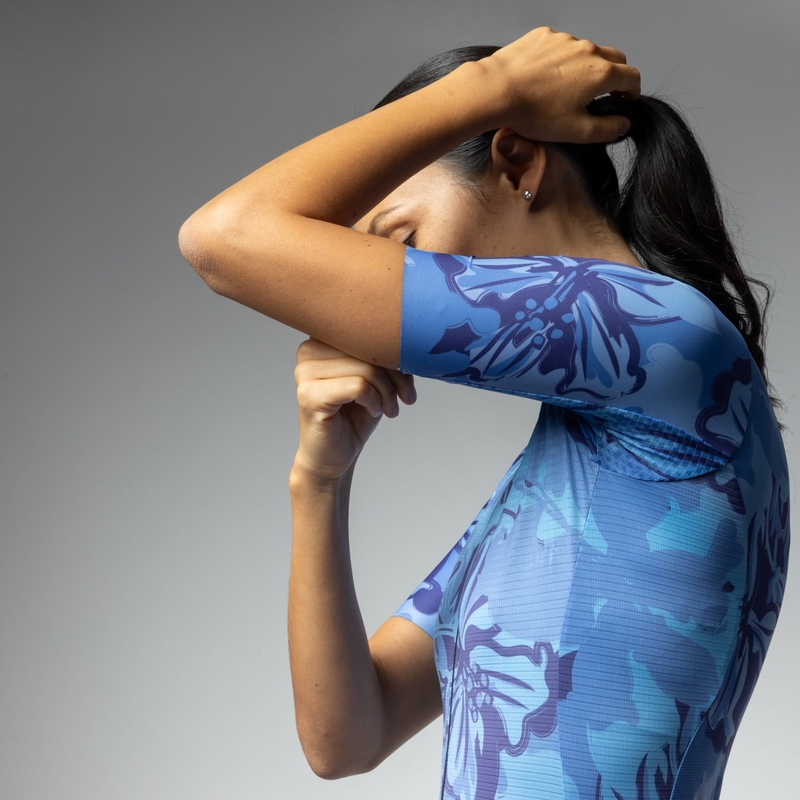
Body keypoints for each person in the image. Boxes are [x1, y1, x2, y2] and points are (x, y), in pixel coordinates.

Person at [178, 27, 790, 800]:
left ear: (517, 162)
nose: (351, 306)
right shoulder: (572, 482)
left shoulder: (671, 333)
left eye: (399, 244)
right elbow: (345, 737)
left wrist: (491, 86)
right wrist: (319, 483)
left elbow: (222, 238)